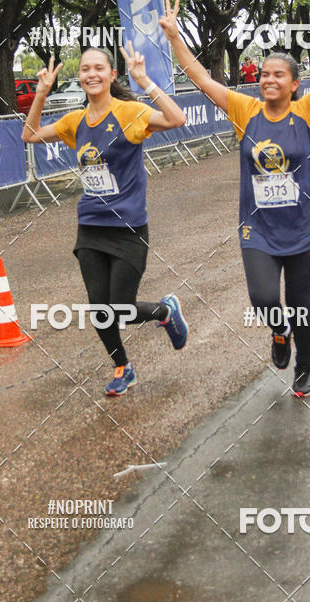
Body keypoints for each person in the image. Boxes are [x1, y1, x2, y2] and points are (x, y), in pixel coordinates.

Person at [160, 0, 310, 398]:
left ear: (294, 84)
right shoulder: (244, 110)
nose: (268, 79)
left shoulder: (307, 112)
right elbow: (199, 76)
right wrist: (175, 36)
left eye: (277, 75)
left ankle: (305, 368)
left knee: (301, 302)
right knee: (265, 297)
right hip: (259, 230)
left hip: (306, 229)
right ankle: (278, 331)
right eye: (264, 74)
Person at [22, 44, 189, 396]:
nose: (91, 74)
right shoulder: (76, 120)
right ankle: (122, 367)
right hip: (91, 227)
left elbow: (176, 119)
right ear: (79, 77)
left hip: (128, 228)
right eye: (85, 69)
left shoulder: (129, 112)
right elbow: (30, 134)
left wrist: (145, 81)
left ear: (112, 75)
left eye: (99, 68)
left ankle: (164, 312)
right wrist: (40, 94)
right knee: (100, 309)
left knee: (121, 308)